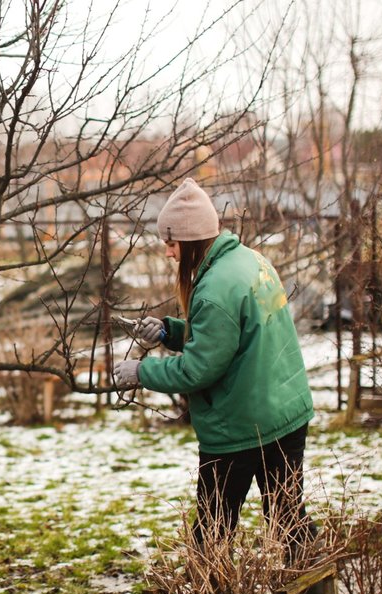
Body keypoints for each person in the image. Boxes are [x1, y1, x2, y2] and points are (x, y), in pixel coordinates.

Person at [111, 178, 316, 560]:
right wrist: (171, 332)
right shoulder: (250, 260)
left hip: (241, 426)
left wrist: (141, 373)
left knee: (212, 533)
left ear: (189, 241)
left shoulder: (214, 288)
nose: (169, 254)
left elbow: (198, 370)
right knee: (289, 521)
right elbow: (232, 336)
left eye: (171, 244)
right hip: (284, 412)